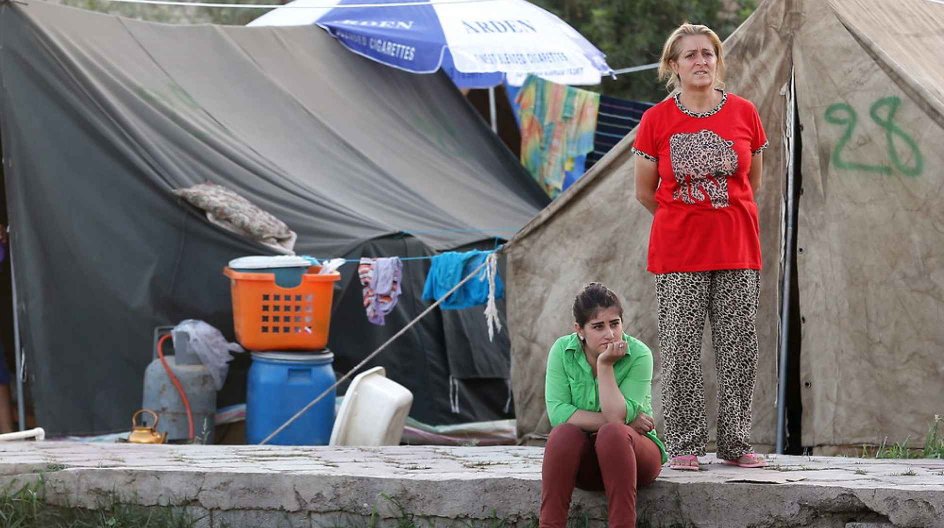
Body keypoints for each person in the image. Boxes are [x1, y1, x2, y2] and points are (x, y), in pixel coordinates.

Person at [632, 23, 768, 471]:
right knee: (681, 348)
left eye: (707, 54)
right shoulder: (656, 120)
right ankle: (686, 443)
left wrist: (722, 214)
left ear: (718, 60)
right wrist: (682, 220)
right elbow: (645, 192)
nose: (700, 62)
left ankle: (735, 442)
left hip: (737, 248)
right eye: (690, 55)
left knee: (738, 346)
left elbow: (752, 182)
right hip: (679, 253)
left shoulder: (745, 113)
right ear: (674, 65)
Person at [541, 283, 666, 528]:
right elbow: (558, 414)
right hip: (586, 461)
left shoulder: (639, 354)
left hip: (635, 457)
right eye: (598, 326)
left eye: (615, 323)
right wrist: (625, 421)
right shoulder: (562, 351)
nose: (610, 334)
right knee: (562, 434)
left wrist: (605, 365)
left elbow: (616, 418)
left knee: (613, 433)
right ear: (579, 330)